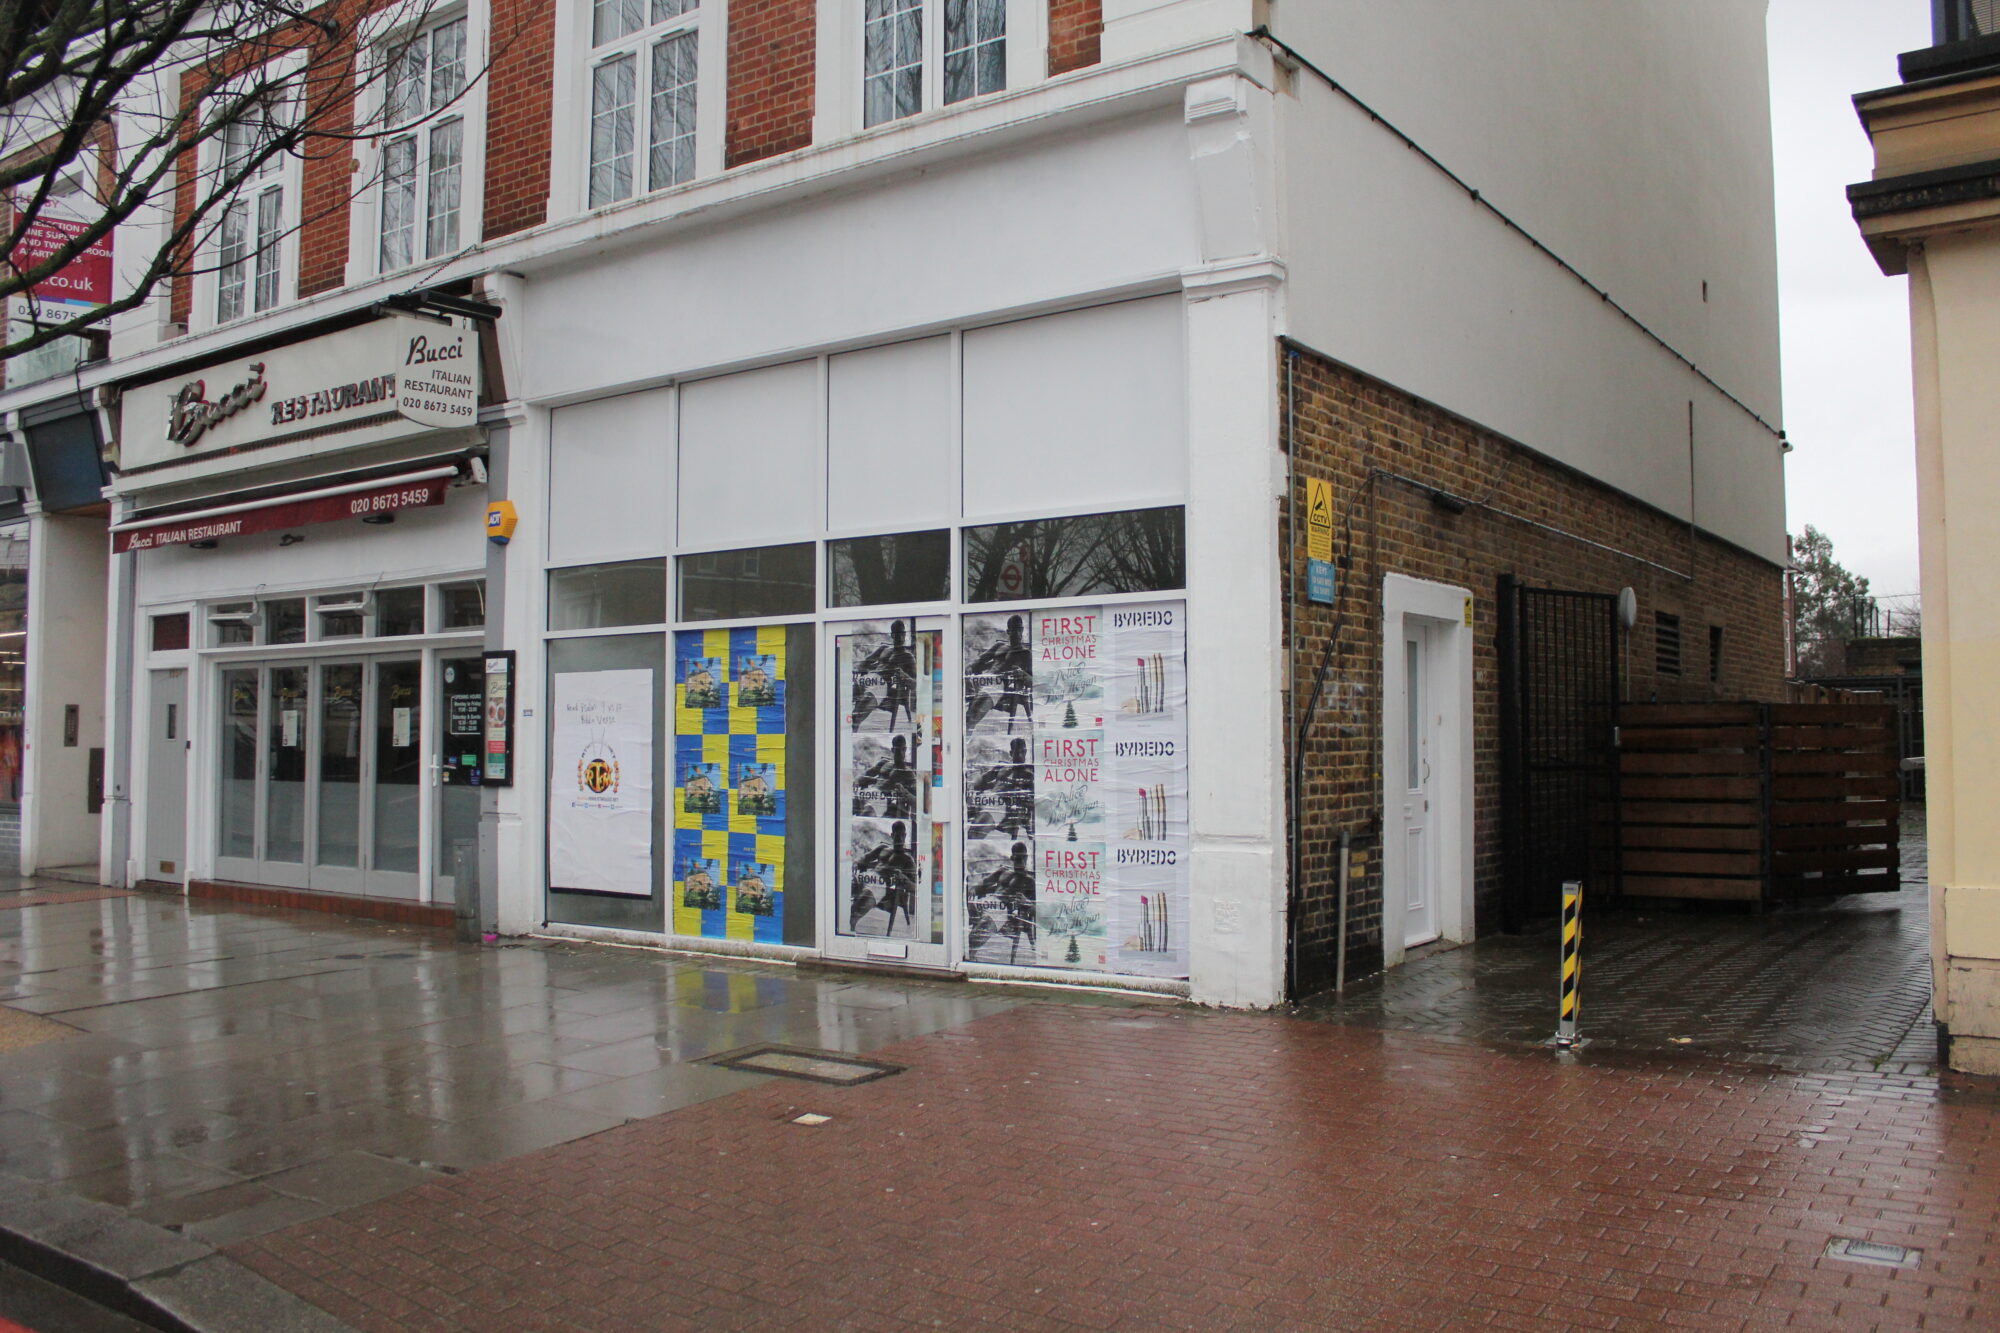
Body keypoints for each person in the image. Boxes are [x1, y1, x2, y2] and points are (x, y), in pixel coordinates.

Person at [970, 841, 1037, 964]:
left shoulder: (1029, 881)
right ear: (1012, 857)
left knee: (979, 931)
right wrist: (975, 888)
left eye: (1022, 857)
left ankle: (971, 955)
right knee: (972, 910)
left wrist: (1026, 902)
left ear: (1026, 858)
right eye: (1016, 857)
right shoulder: (1004, 871)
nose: (1019, 861)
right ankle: (971, 955)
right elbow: (985, 882)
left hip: (1002, 910)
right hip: (988, 902)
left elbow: (1036, 909)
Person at [965, 614, 1032, 732]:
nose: (1017, 633)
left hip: (998, 685)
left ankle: (966, 733)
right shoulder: (999, 646)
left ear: (1022, 630)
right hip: (983, 680)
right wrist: (970, 666)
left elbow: (1032, 681)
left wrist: (1022, 674)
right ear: (1008, 631)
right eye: (1014, 629)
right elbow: (980, 660)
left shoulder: (1025, 653)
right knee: (964, 677)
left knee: (971, 716)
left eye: (1019, 629)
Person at [850, 820, 918, 934]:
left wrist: (904, 879)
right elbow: (864, 858)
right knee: (844, 889)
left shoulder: (907, 859)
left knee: (857, 908)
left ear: (905, 836)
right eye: (897, 835)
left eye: (902, 835)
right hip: (867, 876)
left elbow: (915, 887)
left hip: (880, 884)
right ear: (892, 835)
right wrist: (856, 863)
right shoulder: (883, 848)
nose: (900, 839)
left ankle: (850, 928)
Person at [850, 620, 916, 731]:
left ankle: (853, 727)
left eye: (901, 633)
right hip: (868, 678)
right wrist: (866, 666)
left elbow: (915, 684)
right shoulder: (884, 648)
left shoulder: (907, 656)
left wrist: (903, 675)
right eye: (896, 633)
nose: (899, 636)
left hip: (882, 684)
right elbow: (865, 662)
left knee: (858, 712)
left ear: (905, 634)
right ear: (892, 635)